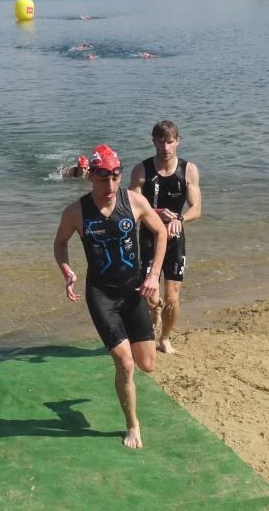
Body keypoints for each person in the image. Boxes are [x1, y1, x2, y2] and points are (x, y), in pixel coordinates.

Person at [54, 144, 167, 449]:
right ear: (91, 176)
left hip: (134, 292)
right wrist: (67, 271)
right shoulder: (76, 212)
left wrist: (153, 275)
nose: (111, 186)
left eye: (116, 177)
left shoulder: (134, 201)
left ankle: (153, 308)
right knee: (126, 364)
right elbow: (60, 243)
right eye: (104, 179)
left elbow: (161, 232)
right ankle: (133, 425)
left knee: (147, 364)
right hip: (101, 296)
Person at [129, 120, 201, 354]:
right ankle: (154, 309)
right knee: (150, 295)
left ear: (177, 141)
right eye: (161, 142)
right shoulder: (141, 170)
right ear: (154, 142)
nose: (166, 148)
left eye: (170, 142)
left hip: (174, 238)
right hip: (149, 237)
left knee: (173, 296)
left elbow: (196, 208)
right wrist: (155, 213)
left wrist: (180, 219)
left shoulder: (188, 170)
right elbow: (131, 207)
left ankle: (165, 339)